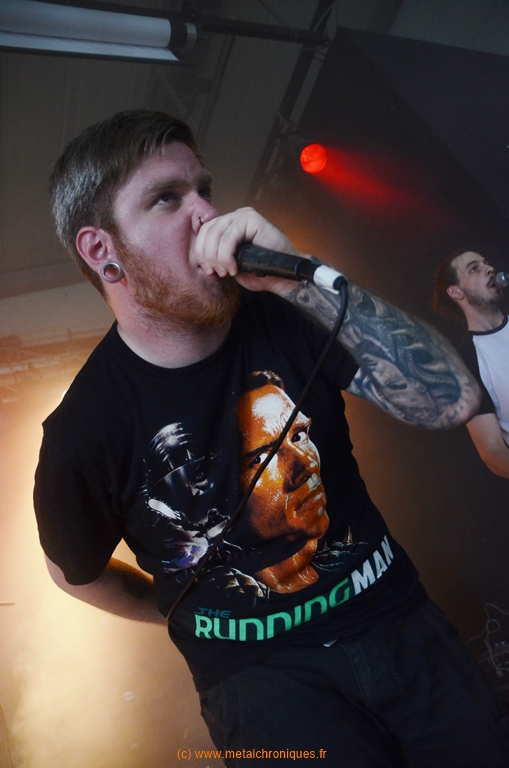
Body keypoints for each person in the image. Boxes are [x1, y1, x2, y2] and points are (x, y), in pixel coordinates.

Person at [33, 111, 509, 767]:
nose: (207, 211)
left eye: (204, 189)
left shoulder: (285, 314)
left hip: (396, 624)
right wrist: (181, 609)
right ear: (100, 250)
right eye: (167, 198)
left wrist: (296, 278)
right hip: (258, 683)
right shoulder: (85, 429)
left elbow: (447, 398)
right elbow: (76, 574)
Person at [433, 249, 509, 479]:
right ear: (456, 292)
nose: (490, 269)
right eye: (475, 268)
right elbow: (494, 454)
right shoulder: (465, 364)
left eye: (487, 263)